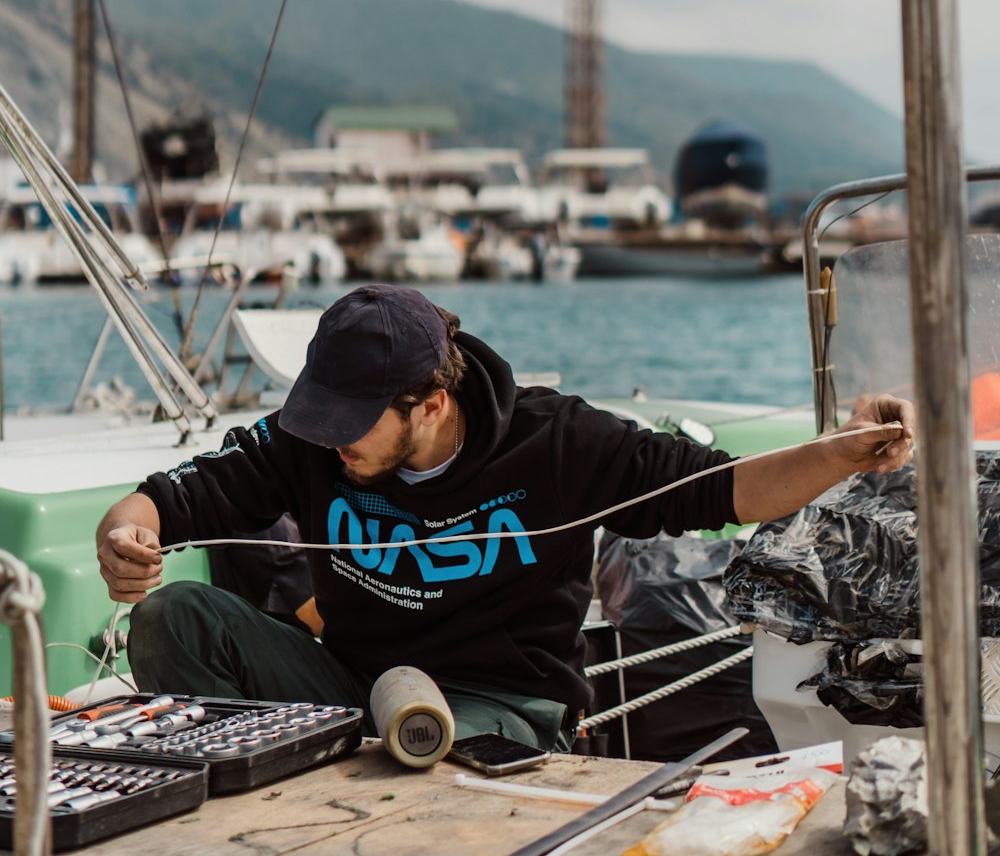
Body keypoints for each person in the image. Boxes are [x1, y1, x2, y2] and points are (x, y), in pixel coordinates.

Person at [96, 284, 915, 751]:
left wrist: (840, 450)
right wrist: (124, 533)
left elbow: (724, 490)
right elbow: (171, 499)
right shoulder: (311, 441)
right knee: (176, 616)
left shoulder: (556, 441)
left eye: (351, 422)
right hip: (353, 685)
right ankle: (257, 790)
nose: (330, 440)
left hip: (504, 709)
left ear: (430, 403)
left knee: (431, 747)